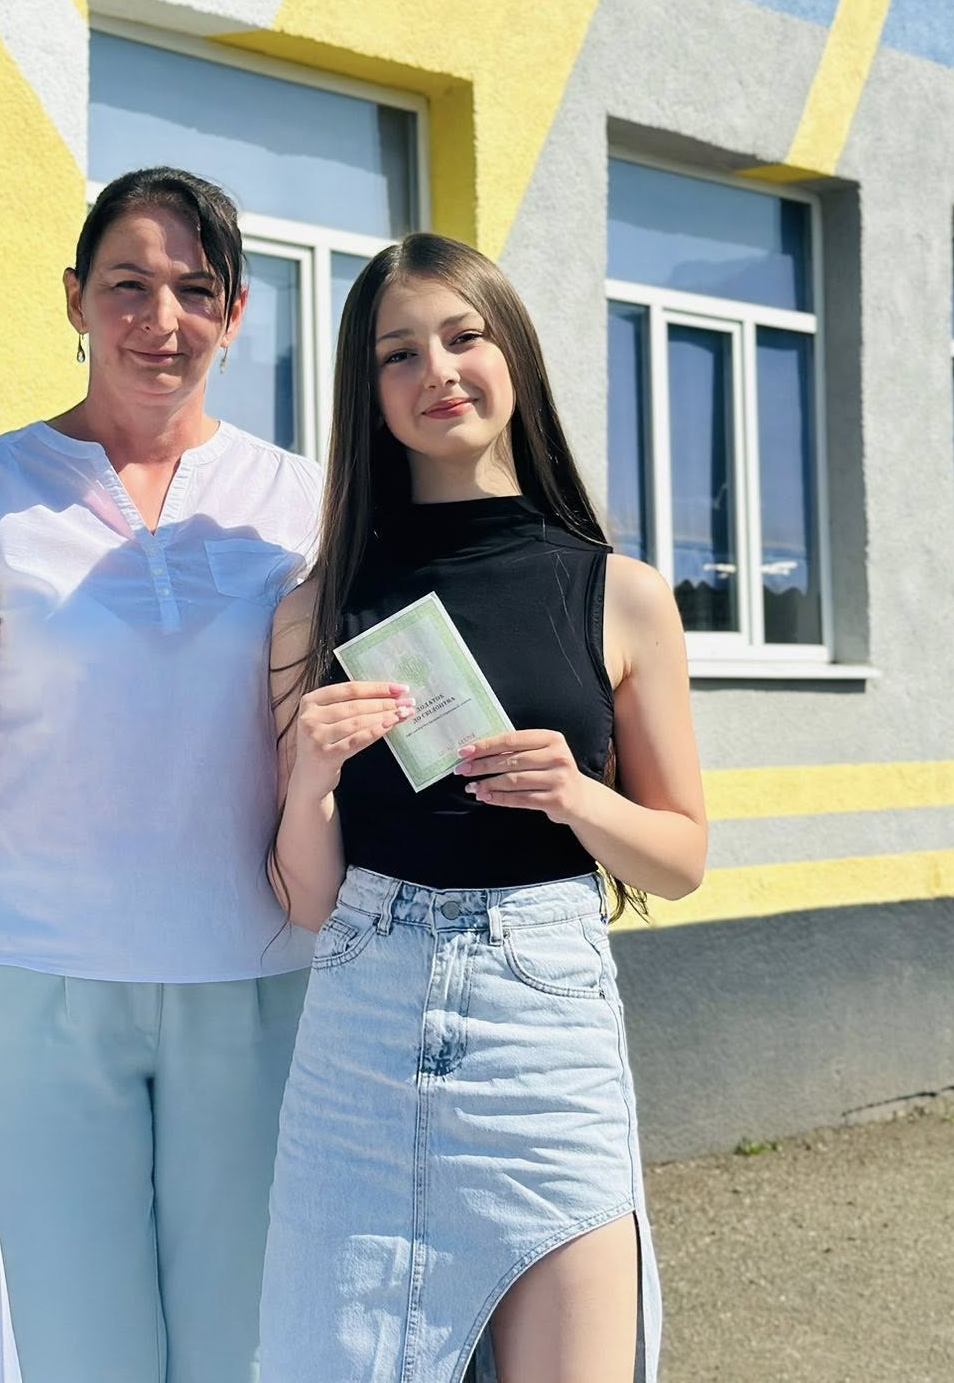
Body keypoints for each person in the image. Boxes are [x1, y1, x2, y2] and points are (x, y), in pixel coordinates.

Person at [0, 167, 322, 1381]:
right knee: (73, 1355)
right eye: (127, 284)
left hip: (258, 983)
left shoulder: (301, 503)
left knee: (248, 1354)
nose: (159, 319)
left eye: (195, 289)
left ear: (235, 314)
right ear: (74, 299)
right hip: (33, 994)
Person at [260, 233, 708, 1381]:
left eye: (462, 337)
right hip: (362, 1018)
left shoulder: (619, 593)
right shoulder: (315, 608)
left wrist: (576, 796)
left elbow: (678, 860)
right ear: (368, 391)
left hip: (541, 1022)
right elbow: (304, 901)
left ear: (511, 353)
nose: (437, 372)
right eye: (398, 353)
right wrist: (310, 774)